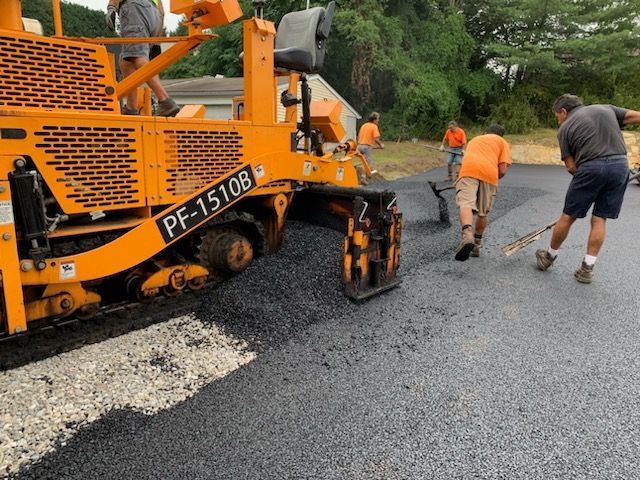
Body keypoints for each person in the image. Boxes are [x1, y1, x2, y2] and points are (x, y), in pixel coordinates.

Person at [535, 94, 640, 283]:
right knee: (600, 219)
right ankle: (587, 269)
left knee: (568, 216)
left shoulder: (564, 128)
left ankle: (548, 257)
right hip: (620, 166)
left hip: (590, 167)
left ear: (564, 111)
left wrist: (586, 185)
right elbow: (637, 116)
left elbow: (571, 166)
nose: (558, 120)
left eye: (557, 115)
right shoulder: (606, 108)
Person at [106, 0, 180, 117]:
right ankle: (131, 107)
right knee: (126, 61)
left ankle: (165, 100)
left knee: (137, 57)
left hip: (135, 9)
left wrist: (111, 6)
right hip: (154, 15)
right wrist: (156, 39)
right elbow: (162, 12)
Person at [454, 124, 511, 261]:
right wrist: (492, 177)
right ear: (501, 135)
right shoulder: (502, 142)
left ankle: (467, 235)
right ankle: (476, 246)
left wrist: (459, 178)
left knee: (466, 203)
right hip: (490, 174)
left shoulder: (475, 139)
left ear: (486, 132)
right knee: (482, 212)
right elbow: (502, 170)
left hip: (468, 171)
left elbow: (466, 160)